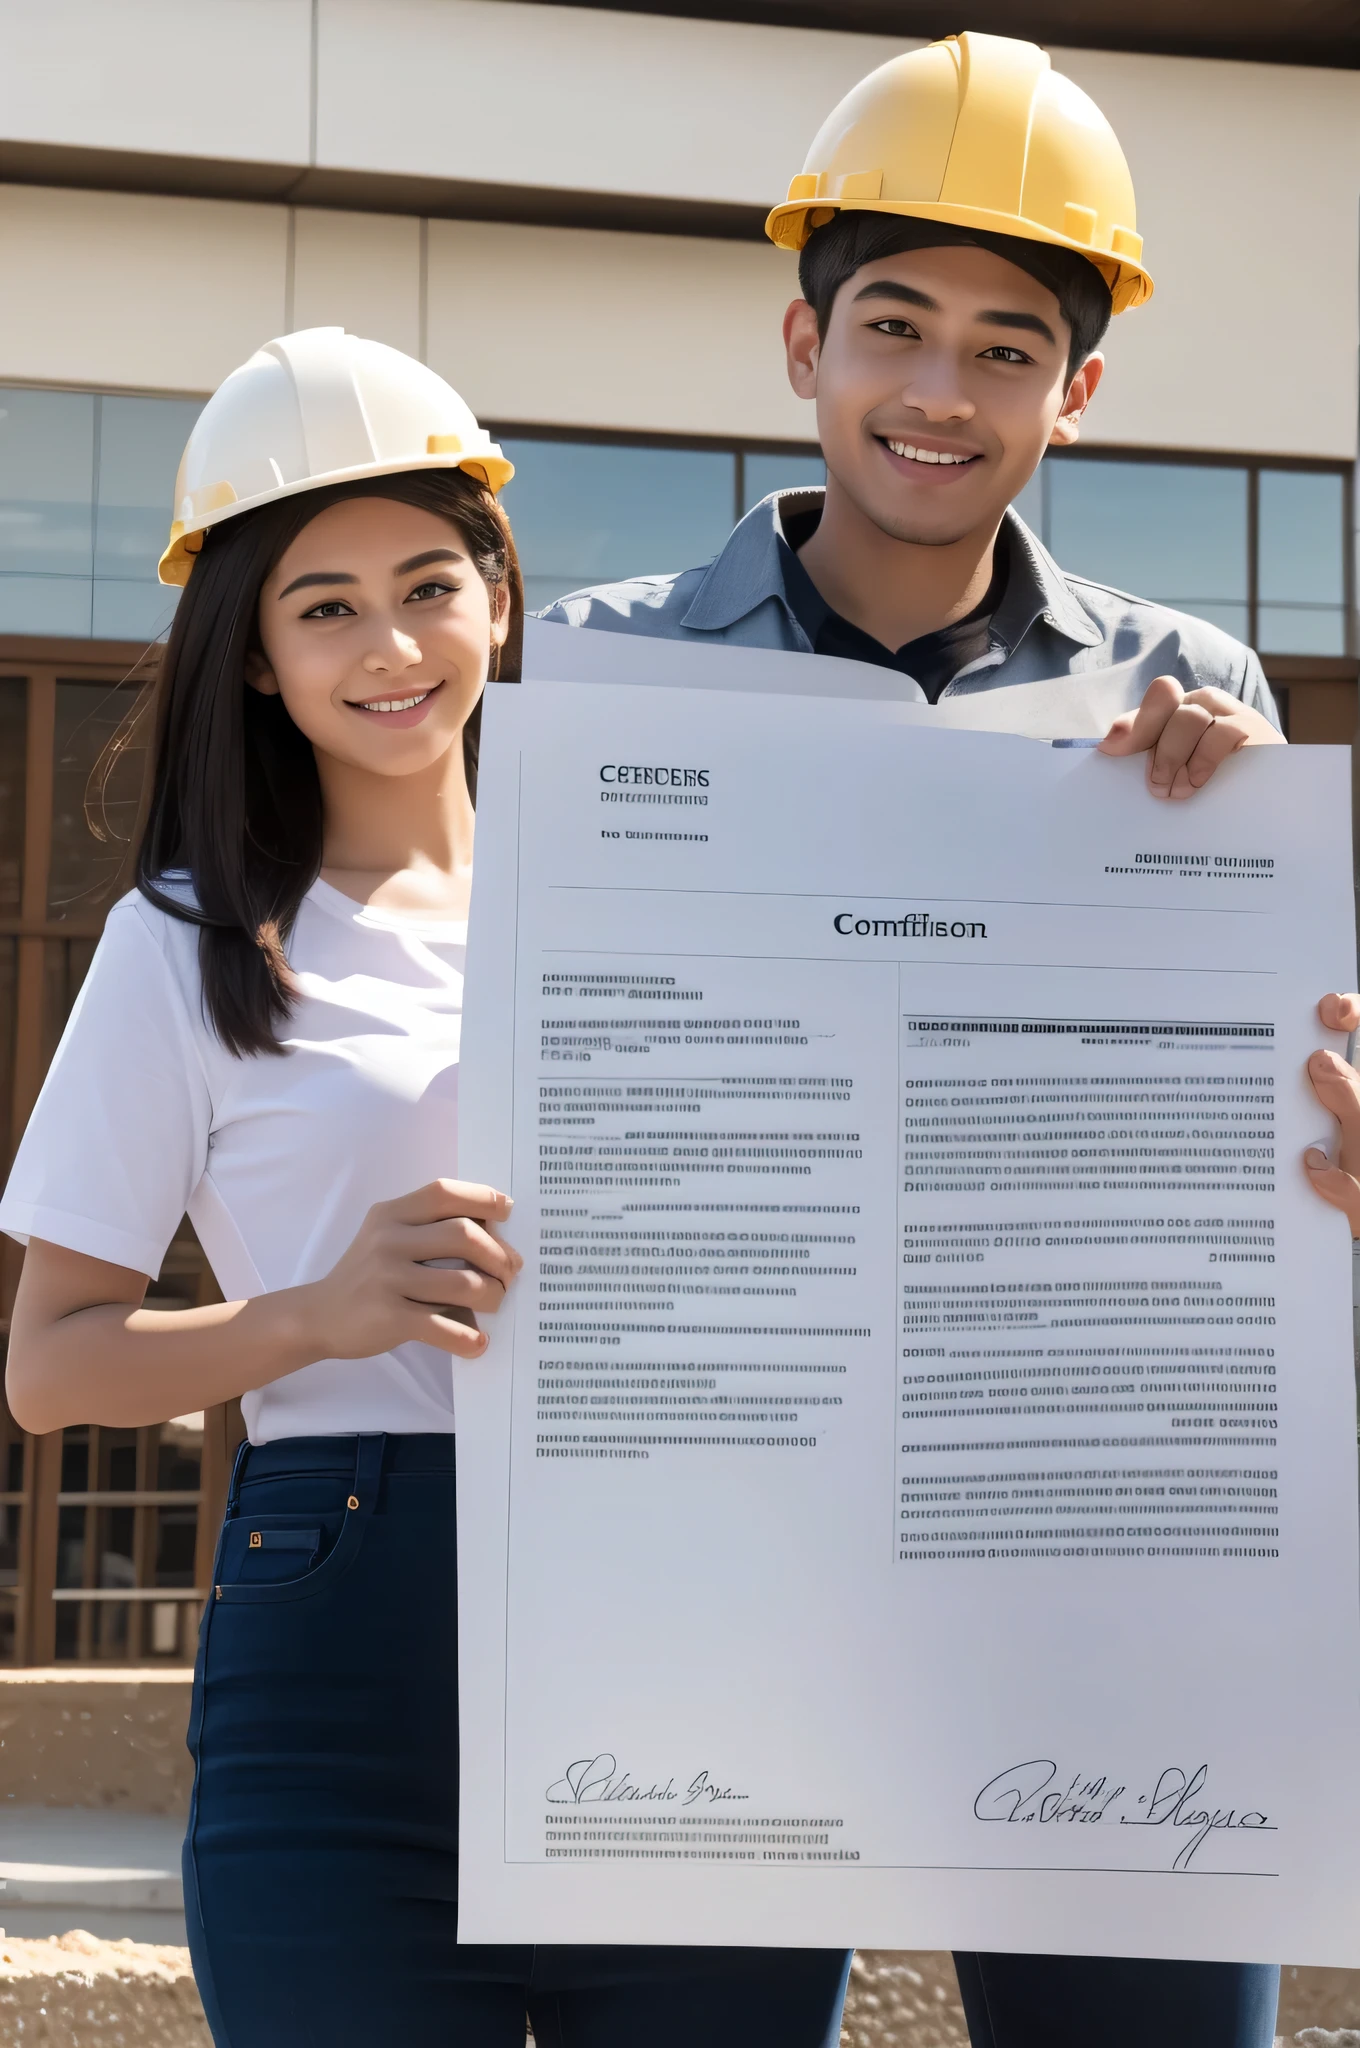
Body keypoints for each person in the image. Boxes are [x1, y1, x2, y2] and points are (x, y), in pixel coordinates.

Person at [540, 32, 1357, 2048]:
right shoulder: (605, 670)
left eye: (1006, 346)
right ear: (799, 340)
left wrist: (1257, 912)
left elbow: (1279, 1124)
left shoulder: (1202, 692)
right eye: (891, 325)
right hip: (715, 1565)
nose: (936, 389)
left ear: (1075, 390)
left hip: (1082, 1569)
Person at [0, 329, 852, 2048]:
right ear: (251, 656)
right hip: (346, 1614)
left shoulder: (679, 885)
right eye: (323, 607)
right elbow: (51, 1367)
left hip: (696, 1591)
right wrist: (318, 1313)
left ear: (500, 596)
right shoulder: (187, 945)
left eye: (429, 586)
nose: (391, 647)